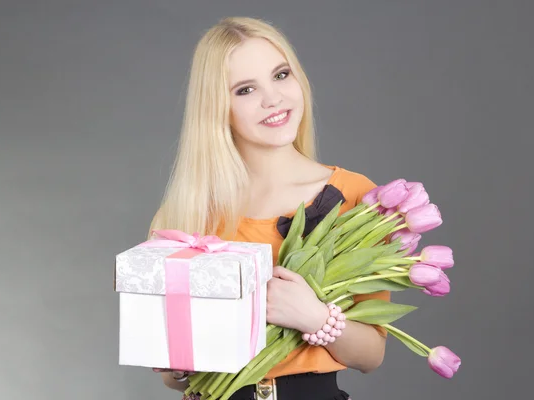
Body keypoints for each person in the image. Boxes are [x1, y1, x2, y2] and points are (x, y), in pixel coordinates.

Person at [148, 16, 390, 400]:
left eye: (281, 75)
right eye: (245, 89)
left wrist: (317, 318)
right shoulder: (184, 215)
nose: (272, 98)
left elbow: (371, 354)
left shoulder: (355, 196)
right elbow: (170, 376)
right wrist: (178, 364)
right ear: (217, 108)